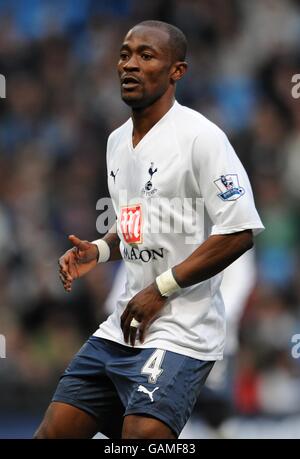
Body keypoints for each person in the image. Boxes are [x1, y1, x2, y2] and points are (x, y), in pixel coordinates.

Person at [34, 20, 264, 439]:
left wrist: (160, 289)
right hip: (123, 324)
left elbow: (239, 231)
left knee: (140, 441)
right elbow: (137, 225)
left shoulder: (202, 138)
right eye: (125, 54)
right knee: (52, 434)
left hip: (182, 332)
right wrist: (99, 252)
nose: (130, 64)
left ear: (178, 71)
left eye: (146, 55)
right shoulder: (117, 142)